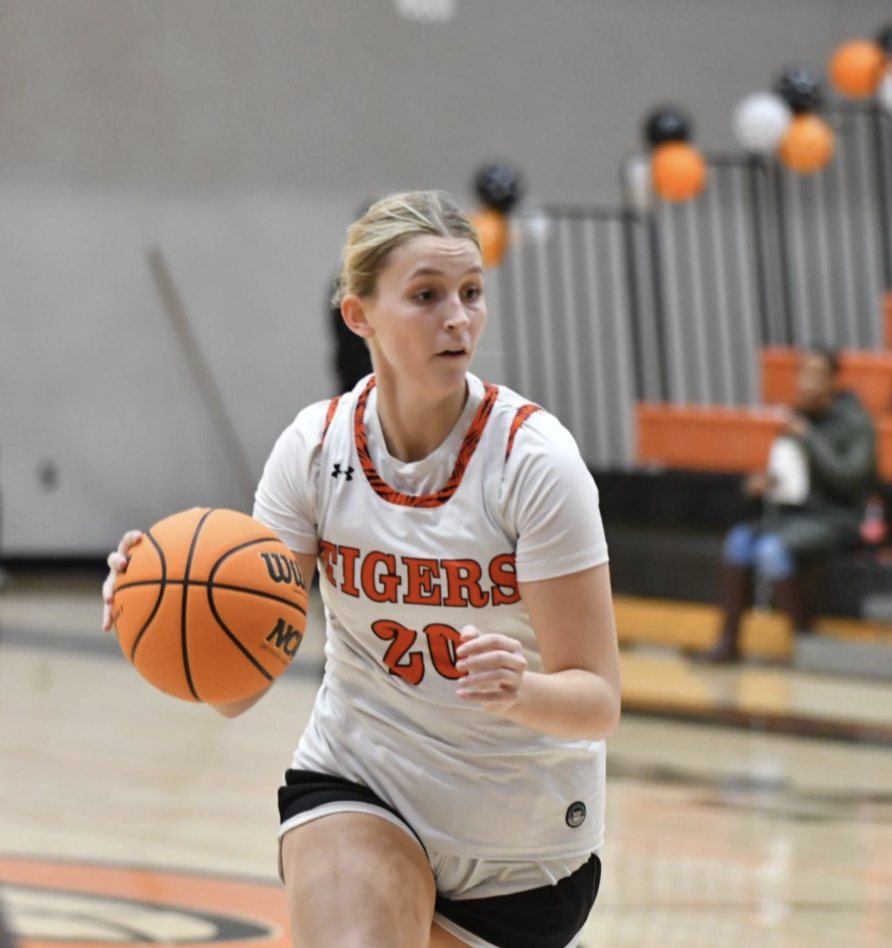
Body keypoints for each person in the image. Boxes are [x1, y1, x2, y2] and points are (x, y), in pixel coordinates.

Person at [102, 190, 621, 948]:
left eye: (472, 293)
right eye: (426, 296)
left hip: (524, 843)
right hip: (362, 780)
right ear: (360, 316)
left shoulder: (535, 462)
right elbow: (238, 692)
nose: (459, 317)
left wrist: (524, 689)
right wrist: (157, 608)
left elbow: (599, 698)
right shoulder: (315, 450)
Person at [699, 347, 876, 664]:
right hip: (794, 517)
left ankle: (804, 641)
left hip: (838, 519)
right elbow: (792, 480)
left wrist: (809, 439)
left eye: (816, 375)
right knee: (739, 541)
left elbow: (850, 482)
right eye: (802, 374)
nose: (807, 383)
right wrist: (762, 485)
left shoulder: (855, 423)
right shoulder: (796, 419)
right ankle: (728, 642)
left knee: (771, 550)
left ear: (834, 380)